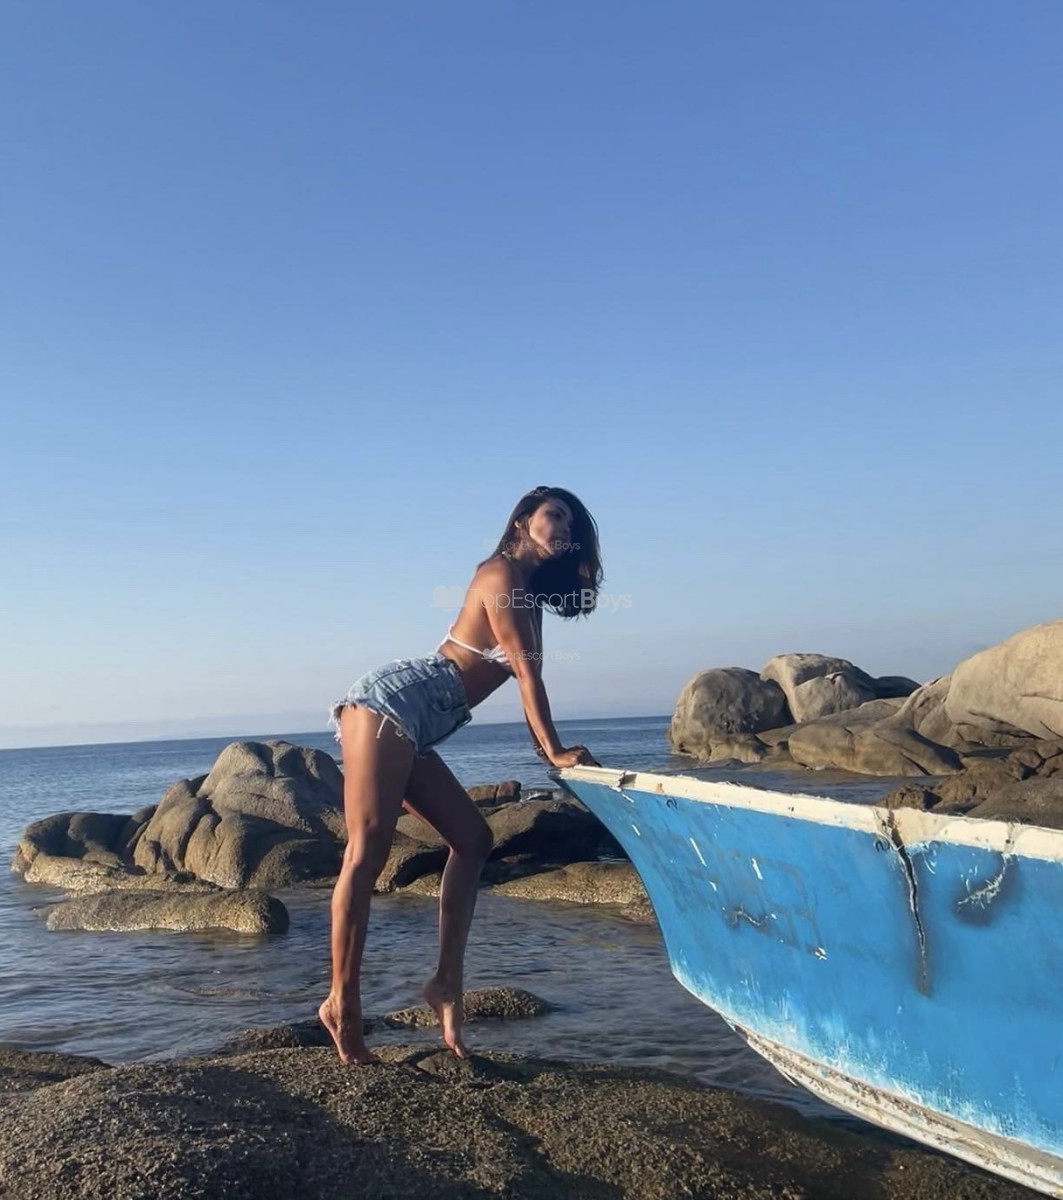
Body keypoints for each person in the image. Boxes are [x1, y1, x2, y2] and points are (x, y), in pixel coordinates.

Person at [320, 485, 604, 1064]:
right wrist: (552, 751)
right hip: (390, 705)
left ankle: (446, 982)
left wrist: (548, 750)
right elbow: (527, 676)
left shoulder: (526, 593)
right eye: (554, 515)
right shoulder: (498, 574)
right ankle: (341, 1005)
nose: (564, 528)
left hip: (421, 722)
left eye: (571, 524)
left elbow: (523, 677)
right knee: (366, 851)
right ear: (523, 521)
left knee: (474, 839)